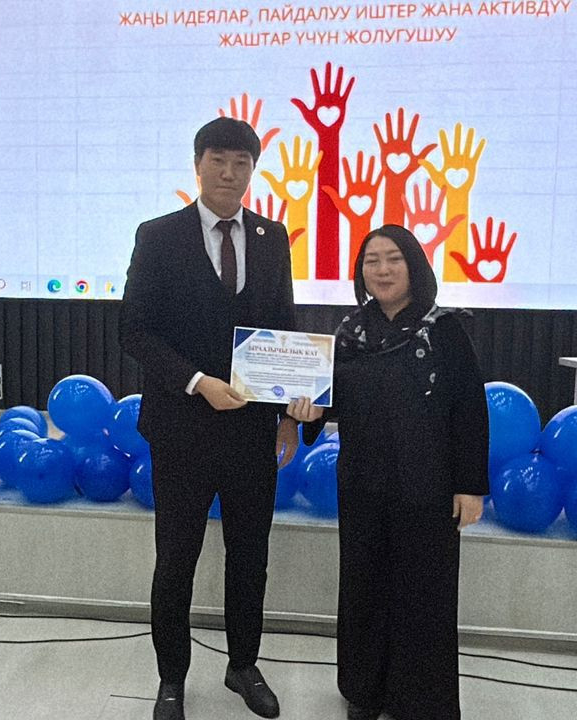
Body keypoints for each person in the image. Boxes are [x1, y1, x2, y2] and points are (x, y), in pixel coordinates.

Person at [121, 117, 305, 720]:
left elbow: (282, 328)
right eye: (218, 161)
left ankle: (242, 665)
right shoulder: (158, 235)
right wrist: (197, 382)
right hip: (181, 428)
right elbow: (134, 330)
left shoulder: (273, 237)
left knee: (250, 556)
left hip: (253, 431)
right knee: (176, 560)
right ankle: (171, 678)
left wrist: (288, 415)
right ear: (198, 165)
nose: (229, 173)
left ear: (253, 170)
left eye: (241, 163)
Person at [288, 225, 489, 720]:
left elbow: (470, 410)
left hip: (429, 486)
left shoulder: (446, 330)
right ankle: (365, 692)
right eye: (371, 261)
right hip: (363, 483)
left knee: (424, 594)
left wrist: (470, 487)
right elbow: (330, 402)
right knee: (364, 589)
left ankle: (420, 702)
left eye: (393, 259)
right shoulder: (348, 333)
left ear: (414, 266)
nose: (382, 270)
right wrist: (309, 413)